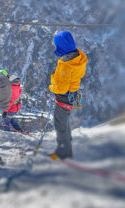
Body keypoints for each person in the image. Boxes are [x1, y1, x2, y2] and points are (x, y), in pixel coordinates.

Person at [48, 31, 87, 160]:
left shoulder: (65, 65)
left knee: (60, 125)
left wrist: (52, 84)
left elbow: (61, 88)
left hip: (63, 98)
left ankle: (63, 152)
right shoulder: (78, 57)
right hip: (72, 96)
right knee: (64, 123)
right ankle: (67, 148)